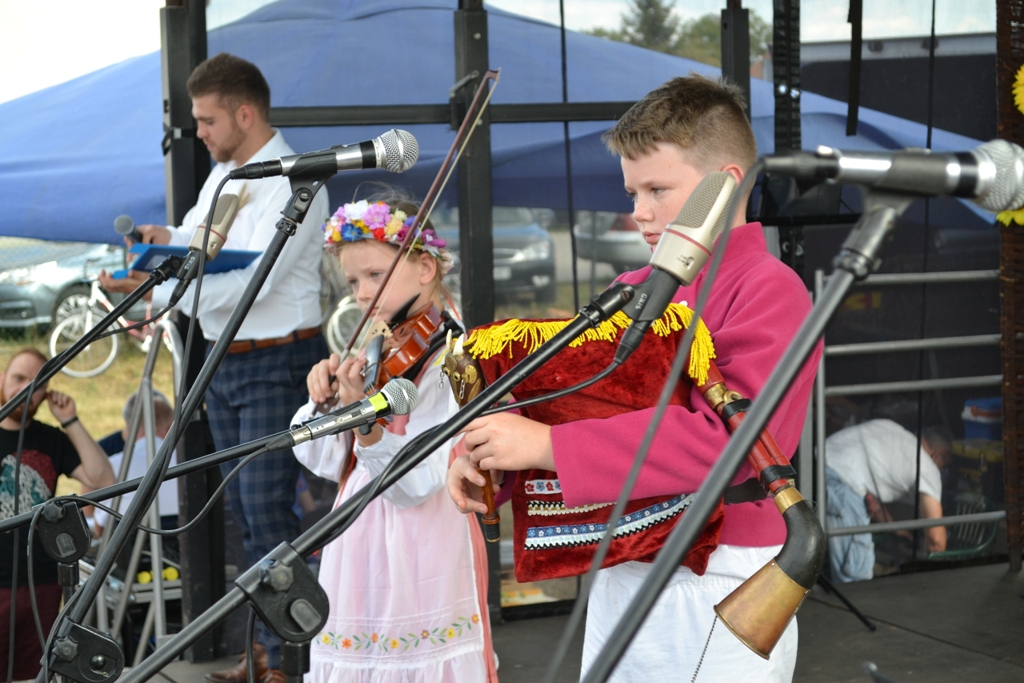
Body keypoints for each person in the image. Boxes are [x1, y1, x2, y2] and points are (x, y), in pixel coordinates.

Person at [448, 74, 820, 682]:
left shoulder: (770, 288)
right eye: (631, 192)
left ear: (723, 186)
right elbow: (572, 408)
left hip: (726, 573)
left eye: (657, 190)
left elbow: (738, 443)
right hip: (624, 561)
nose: (638, 213)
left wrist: (543, 445)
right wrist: (497, 461)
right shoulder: (627, 293)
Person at [98, 52, 330, 682]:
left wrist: (159, 287)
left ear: (244, 113)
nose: (198, 131)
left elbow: (255, 277)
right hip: (226, 359)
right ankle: (265, 654)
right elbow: (201, 240)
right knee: (248, 516)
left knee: (269, 514)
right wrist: (161, 242)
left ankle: (292, 663)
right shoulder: (223, 174)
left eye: (206, 119)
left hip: (279, 358)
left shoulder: (297, 182)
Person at [291, 196, 497, 683]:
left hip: (425, 540)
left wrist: (367, 423)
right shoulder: (379, 345)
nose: (362, 294)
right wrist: (332, 400)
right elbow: (319, 456)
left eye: (375, 276)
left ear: (426, 268)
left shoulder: (457, 356)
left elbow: (417, 483)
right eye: (354, 282)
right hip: (359, 537)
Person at [0, 348, 115, 680]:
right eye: (20, 378)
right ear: (3, 380)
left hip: (42, 581)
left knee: (35, 673)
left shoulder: (50, 439)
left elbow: (103, 479)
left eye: (37, 383)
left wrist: (70, 420)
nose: (26, 389)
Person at [825, 419, 952, 582]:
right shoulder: (927, 468)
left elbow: (873, 503)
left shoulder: (890, 428)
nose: (941, 471)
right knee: (856, 578)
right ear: (937, 455)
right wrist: (935, 581)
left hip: (810, 468)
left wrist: (897, 529)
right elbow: (936, 539)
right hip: (841, 484)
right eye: (944, 466)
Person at [91, 390, 178, 538]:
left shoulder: (112, 466)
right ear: (170, 428)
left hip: (130, 556)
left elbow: (100, 529)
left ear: (130, 429)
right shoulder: (191, 463)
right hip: (184, 553)